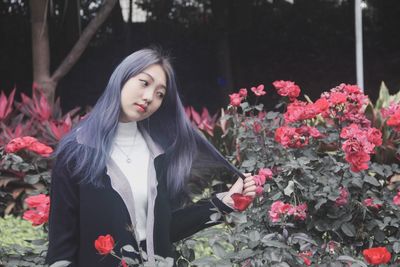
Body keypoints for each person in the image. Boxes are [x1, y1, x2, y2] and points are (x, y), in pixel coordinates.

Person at [45, 47, 257, 267]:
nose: (149, 98)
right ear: (122, 78)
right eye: (144, 83)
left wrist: (225, 202)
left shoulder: (159, 153)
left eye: (160, 94)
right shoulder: (77, 151)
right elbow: (62, 247)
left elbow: (165, 228)